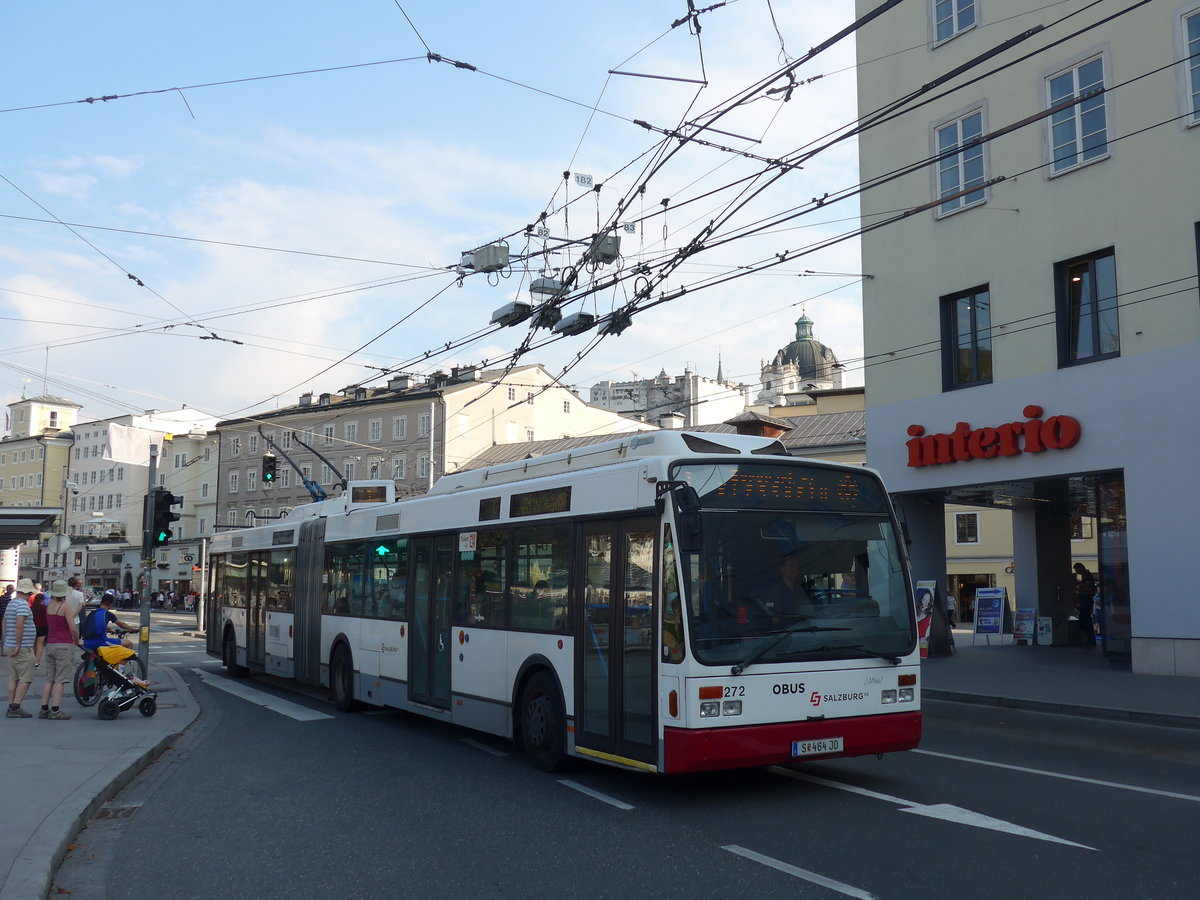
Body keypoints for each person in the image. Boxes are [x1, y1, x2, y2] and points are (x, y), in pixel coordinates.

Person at [37, 580, 80, 720]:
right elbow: (72, 628)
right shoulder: (65, 606)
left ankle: (44, 708)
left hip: (50, 644)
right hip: (64, 644)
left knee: (49, 678)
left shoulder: (49, 605)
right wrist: (77, 640)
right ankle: (55, 709)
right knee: (60, 679)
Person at [4, 578, 38, 717]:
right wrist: (18, 643)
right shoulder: (23, 605)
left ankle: (10, 705)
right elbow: (20, 624)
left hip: (9, 645)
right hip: (22, 647)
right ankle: (15, 707)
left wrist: (7, 640)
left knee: (13, 677)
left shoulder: (11, 604)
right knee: (26, 677)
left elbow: (4, 622)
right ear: (28, 592)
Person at [763, 552, 816, 619]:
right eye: (791, 566)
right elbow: (772, 612)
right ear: (782, 569)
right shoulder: (773, 590)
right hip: (784, 627)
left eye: (797, 566)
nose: (795, 569)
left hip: (805, 626)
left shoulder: (801, 589)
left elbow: (811, 609)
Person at [1073, 562, 1097, 645]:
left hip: (1086, 599)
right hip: (1086, 599)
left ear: (1080, 568)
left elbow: (1088, 587)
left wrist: (1078, 587)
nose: (1077, 572)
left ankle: (1089, 639)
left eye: (1076, 570)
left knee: (1086, 619)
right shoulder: (1085, 576)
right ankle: (1088, 638)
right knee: (1085, 619)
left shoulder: (1087, 576)